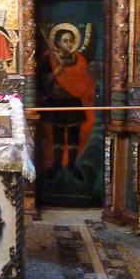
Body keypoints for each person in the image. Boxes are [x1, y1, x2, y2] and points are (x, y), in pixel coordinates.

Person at [38, 26, 95, 176]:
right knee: (57, 134)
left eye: (71, 41)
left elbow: (83, 80)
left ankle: (71, 164)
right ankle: (56, 164)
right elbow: (40, 80)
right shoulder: (49, 59)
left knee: (74, 135)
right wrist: (53, 75)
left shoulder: (79, 59)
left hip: (73, 101)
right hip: (56, 101)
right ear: (58, 42)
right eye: (65, 41)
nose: (68, 44)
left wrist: (72, 83)